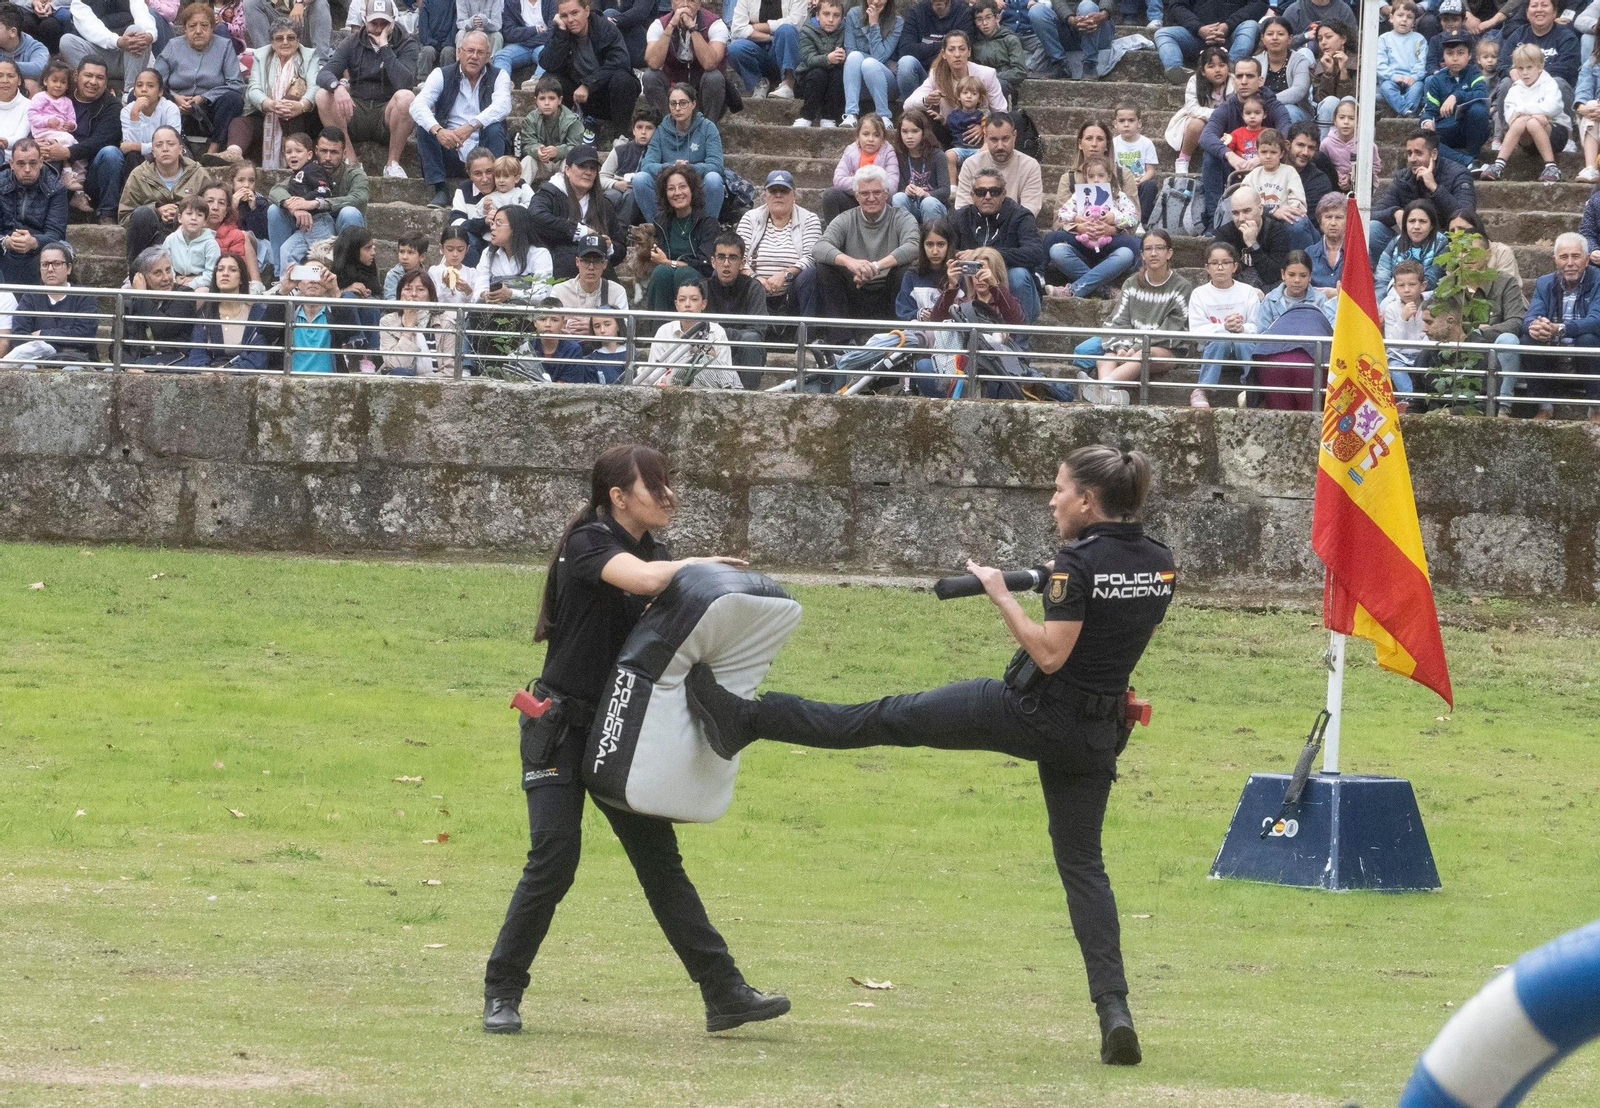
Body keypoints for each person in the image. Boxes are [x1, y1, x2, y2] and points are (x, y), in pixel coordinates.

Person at [685, 445, 1175, 1068]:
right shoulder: (1159, 563)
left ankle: (746, 718)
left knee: (885, 717)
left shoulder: (1075, 565)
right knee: (1084, 867)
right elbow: (1133, 629)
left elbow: (1051, 655)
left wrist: (1000, 592)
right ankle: (1114, 1010)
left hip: (1030, 712)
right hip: (1096, 732)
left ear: (1087, 500)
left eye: (1058, 490)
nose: (1052, 500)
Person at [482, 445, 787, 1033]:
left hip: (620, 725)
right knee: (555, 856)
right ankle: (502, 991)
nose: (668, 496)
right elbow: (643, 580)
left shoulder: (660, 553)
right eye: (655, 487)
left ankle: (724, 994)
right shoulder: (590, 542)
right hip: (560, 727)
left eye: (669, 484)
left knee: (659, 863)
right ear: (618, 497)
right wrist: (701, 568)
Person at [1071, 231, 1192, 405]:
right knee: (1106, 357)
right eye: (1148, 249)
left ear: (1169, 253)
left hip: (1166, 348)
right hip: (1131, 344)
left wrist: (1135, 347)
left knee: (1144, 354)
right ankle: (1112, 397)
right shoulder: (1132, 283)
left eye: (1159, 248)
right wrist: (1121, 346)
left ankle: (1103, 387)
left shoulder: (1182, 287)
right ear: (1142, 254)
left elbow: (1171, 329)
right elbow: (1119, 320)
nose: (1154, 253)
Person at [811, 163, 920, 339]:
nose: (871, 198)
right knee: (824, 269)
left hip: (889, 287)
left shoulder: (902, 217)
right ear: (856, 196)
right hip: (855, 285)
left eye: (876, 192)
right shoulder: (846, 218)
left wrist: (876, 267)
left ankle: (898, 339)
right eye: (864, 193)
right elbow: (819, 247)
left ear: (886, 193)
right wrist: (851, 263)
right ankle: (841, 341)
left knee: (906, 271)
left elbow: (914, 245)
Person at [315, 0, 419, 180]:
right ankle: (351, 160)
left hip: (386, 113)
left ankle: (392, 164)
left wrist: (385, 48)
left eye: (384, 23)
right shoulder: (351, 42)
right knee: (323, 95)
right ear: (364, 20)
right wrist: (337, 87)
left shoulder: (406, 43)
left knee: (407, 97)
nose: (379, 28)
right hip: (356, 109)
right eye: (374, 23)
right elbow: (324, 74)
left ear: (393, 21)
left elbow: (405, 82)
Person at [412, 30, 511, 208]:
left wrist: (471, 126)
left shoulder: (499, 75)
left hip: (484, 147)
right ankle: (440, 189)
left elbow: (503, 105)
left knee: (495, 128)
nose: (474, 56)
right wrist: (439, 131)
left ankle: (491, 189)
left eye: (480, 53)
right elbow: (417, 105)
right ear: (459, 52)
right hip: (450, 147)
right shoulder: (441, 74)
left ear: (488, 56)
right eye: (470, 50)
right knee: (424, 126)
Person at [1514, 232, 1600, 420]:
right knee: (1529, 338)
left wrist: (1560, 329)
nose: (1569, 263)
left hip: (1586, 350)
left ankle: (1595, 406)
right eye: (1563, 257)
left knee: (1589, 339)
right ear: (1555, 260)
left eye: (1576, 256)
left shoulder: (1598, 280)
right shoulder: (1544, 282)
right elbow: (1530, 317)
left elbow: (1596, 320)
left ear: (1587, 260)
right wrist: (1535, 326)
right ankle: (1543, 406)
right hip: (1554, 350)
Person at [1197, 57, 1290, 226]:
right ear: (1234, 80)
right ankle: (1215, 221)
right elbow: (1206, 136)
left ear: (1260, 80)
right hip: (1234, 167)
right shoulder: (1227, 107)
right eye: (1239, 76)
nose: (1244, 81)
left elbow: (1285, 129)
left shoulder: (1273, 105)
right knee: (1210, 157)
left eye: (1250, 76)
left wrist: (1261, 157)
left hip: (1268, 166)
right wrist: (1229, 155)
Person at [153, 3, 246, 166]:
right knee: (149, 94)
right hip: (176, 106)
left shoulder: (224, 46)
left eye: (204, 26)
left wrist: (203, 98)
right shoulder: (173, 46)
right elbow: (156, 79)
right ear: (184, 29)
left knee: (234, 99)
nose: (198, 31)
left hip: (209, 109)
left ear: (212, 28)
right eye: (192, 26)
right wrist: (175, 98)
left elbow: (236, 83)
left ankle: (213, 151)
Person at [539, 0, 641, 141]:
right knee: (548, 80)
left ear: (587, 11)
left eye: (575, 13)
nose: (570, 20)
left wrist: (588, 84)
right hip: (577, 97)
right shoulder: (560, 30)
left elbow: (620, 61)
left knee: (623, 79)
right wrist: (561, 32)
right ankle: (555, 136)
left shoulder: (604, 28)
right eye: (564, 15)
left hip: (608, 97)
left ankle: (621, 136)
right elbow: (547, 63)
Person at [267, 128, 370, 268]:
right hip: (310, 225)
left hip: (341, 227)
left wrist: (316, 204)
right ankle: (279, 275)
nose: (328, 157)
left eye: (334, 152)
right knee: (274, 210)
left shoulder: (354, 174)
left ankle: (351, 274)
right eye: (323, 151)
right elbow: (277, 189)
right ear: (315, 151)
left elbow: (360, 198)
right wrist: (294, 208)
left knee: (350, 212)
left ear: (344, 153)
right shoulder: (308, 170)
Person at [949, 166, 1041, 320]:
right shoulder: (960, 217)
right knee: (959, 271)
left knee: (1018, 275)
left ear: (1004, 194)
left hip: (1011, 285)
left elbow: (1035, 253)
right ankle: (966, 329)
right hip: (973, 285)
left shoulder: (1020, 216)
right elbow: (946, 250)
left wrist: (983, 254)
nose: (987, 196)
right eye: (980, 192)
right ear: (972, 195)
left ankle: (1020, 340)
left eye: (994, 192)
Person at [1042, 154, 1136, 301]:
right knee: (1056, 251)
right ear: (1086, 178)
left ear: (1109, 177)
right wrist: (1077, 220)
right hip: (1081, 246)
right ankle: (1105, 290)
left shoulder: (1119, 197)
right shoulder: (1079, 196)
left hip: (1108, 248)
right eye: (1091, 177)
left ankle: (1071, 290)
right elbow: (1062, 213)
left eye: (1101, 175)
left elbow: (1133, 218)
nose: (1096, 180)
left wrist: (1114, 219)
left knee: (1126, 254)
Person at [1371, 128, 1474, 257]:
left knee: (1442, 237)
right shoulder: (1403, 177)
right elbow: (1372, 213)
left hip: (1443, 243)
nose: (1412, 159)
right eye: (1409, 153)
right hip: (1409, 243)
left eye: (1418, 153)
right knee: (1372, 229)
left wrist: (1434, 188)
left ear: (1434, 154)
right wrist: (1394, 213)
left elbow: (1467, 217)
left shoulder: (1459, 174)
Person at [119, 125, 212, 265]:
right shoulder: (139, 175)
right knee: (143, 213)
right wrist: (155, 211)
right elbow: (125, 215)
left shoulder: (198, 174)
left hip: (187, 233)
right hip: (151, 235)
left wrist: (181, 213)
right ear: (153, 151)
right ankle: (134, 271)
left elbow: (210, 212)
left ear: (181, 149)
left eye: (171, 144)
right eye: (159, 145)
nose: (165, 148)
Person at [1478, 42, 1569, 182]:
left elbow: (1552, 107)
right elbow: (1510, 116)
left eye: (1529, 67)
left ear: (1540, 67)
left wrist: (1524, 111)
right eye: (1520, 68)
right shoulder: (1515, 88)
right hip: (1528, 141)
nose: (1525, 73)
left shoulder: (1549, 84)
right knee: (1521, 121)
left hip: (1555, 135)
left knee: (1532, 122)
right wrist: (1531, 113)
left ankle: (1552, 167)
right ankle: (1498, 165)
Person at [736, 167, 820, 316]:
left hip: (793, 290)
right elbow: (738, 255)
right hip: (754, 287)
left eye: (784, 190)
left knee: (811, 275)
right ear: (764, 195)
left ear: (794, 194)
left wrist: (785, 274)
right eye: (773, 191)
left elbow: (811, 257)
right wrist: (756, 278)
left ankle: (806, 334)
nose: (778, 195)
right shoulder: (750, 218)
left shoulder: (809, 219)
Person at [530, 144, 622, 279]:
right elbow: (535, 216)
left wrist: (609, 247)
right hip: (555, 266)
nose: (588, 172)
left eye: (592, 168)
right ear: (567, 170)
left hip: (595, 269)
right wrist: (579, 232)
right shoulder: (549, 193)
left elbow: (621, 246)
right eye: (582, 166)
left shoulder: (603, 204)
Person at [1187, 240, 1262, 407]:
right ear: (1207, 268)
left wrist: (1242, 328)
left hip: (1242, 347)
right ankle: (1203, 388)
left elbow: (1258, 326)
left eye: (1225, 263)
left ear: (1234, 266)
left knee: (1243, 341)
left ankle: (1252, 389)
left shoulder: (1247, 291)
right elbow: (1196, 331)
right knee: (1221, 338)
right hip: (1213, 348)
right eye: (1214, 263)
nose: (1220, 267)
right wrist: (1224, 328)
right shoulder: (1199, 294)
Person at [635, 80, 724, 220]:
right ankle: (658, 228)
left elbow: (717, 165)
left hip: (697, 185)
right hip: (669, 185)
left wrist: (688, 168)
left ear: (693, 104)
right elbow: (647, 165)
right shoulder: (661, 130)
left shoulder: (708, 128)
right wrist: (671, 168)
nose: (677, 108)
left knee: (714, 179)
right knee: (640, 179)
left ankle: (707, 227)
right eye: (673, 104)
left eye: (683, 103)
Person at [235, 19, 317, 169]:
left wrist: (301, 105)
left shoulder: (309, 57)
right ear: (272, 43)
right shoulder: (262, 57)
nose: (285, 42)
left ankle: (293, 164)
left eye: (291, 38)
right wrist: (270, 104)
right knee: (240, 123)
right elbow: (253, 89)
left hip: (298, 120)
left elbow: (314, 87)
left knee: (288, 106)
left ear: (298, 41)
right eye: (279, 38)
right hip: (266, 116)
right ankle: (232, 153)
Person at [2, 242, 96, 368]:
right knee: (27, 369)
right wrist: (63, 338)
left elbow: (84, 334)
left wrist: (42, 335)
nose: (50, 269)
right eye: (45, 265)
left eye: (57, 264)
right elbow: (19, 337)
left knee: (72, 370)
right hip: (38, 360)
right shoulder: (30, 297)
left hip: (76, 359)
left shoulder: (84, 297)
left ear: (68, 268)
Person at [904, 29, 1004, 145]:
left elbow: (1000, 112)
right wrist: (926, 100)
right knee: (929, 118)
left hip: (982, 133)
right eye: (951, 50)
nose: (957, 55)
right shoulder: (936, 75)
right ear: (944, 54)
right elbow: (908, 105)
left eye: (962, 49)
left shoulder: (987, 74)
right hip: (950, 130)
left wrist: (985, 127)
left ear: (969, 52)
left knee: (1014, 118)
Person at [637, 279, 743, 385]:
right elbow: (652, 372)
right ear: (676, 304)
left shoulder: (717, 332)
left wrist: (711, 358)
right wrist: (663, 381)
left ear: (703, 304)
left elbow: (727, 375)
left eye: (694, 299)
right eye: (682, 300)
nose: (687, 304)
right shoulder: (664, 331)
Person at [643, 0, 732, 123]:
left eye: (691, 0)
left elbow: (710, 64)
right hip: (673, 91)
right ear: (672, 3)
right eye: (679, 0)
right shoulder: (659, 25)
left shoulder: (715, 24)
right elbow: (653, 63)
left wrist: (693, 28)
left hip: (703, 93)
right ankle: (668, 128)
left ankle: (706, 130)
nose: (685, 5)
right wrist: (670, 27)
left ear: (699, 4)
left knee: (714, 77)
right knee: (650, 76)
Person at [644, 163, 718, 309]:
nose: (677, 193)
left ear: (692, 190)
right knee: (661, 273)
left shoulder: (707, 223)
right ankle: (659, 328)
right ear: (665, 194)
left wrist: (668, 262)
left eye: (682, 187)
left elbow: (705, 265)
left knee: (683, 273)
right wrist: (665, 263)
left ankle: (691, 328)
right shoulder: (661, 221)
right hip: (669, 279)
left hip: (699, 280)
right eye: (671, 188)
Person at [705, 230, 768, 387]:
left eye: (733, 258)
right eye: (721, 257)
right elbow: (695, 330)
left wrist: (721, 333)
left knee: (752, 341)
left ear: (742, 263)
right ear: (713, 261)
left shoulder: (754, 288)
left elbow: (757, 331)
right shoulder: (702, 288)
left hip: (743, 353)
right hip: (711, 352)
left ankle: (748, 401)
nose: (726, 263)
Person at [1420, 31, 1491, 167]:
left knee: (1479, 109)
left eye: (1460, 53)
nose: (1455, 58)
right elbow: (1429, 110)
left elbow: (1482, 94)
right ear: (1443, 56)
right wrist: (1427, 121)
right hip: (1447, 129)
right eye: (1450, 53)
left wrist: (1456, 96)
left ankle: (1472, 154)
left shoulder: (1473, 73)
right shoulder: (1437, 80)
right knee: (1424, 137)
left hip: (1471, 129)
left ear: (1469, 55)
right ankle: (1468, 162)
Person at [0, 136, 64, 283]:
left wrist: (34, 242)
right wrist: (6, 242)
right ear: (11, 164)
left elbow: (56, 233)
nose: (27, 169)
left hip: (40, 248)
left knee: (62, 252)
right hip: (5, 245)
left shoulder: (56, 187)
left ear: (41, 162)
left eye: (33, 163)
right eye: (21, 164)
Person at [59, 0, 163, 88]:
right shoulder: (79, 2)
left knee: (137, 31)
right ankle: (94, 84)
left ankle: (130, 91)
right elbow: (91, 28)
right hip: (98, 56)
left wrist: (150, 35)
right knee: (66, 41)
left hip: (129, 54)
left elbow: (142, 15)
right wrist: (117, 41)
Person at [952, 112, 1042, 213]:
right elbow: (963, 208)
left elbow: (1030, 209)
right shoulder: (971, 165)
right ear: (985, 137)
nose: (1000, 146)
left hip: (1016, 225)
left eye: (1005, 139)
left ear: (1014, 135)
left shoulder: (1030, 166)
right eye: (994, 140)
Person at [127, 245, 201, 366]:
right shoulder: (130, 301)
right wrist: (129, 367)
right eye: (158, 273)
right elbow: (117, 347)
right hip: (139, 363)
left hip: (175, 361)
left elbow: (163, 328)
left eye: (168, 270)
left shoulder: (185, 295)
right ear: (142, 278)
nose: (166, 278)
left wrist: (141, 296)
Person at [1156, 0, 1265, 82]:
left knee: (1251, 26)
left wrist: (1228, 26)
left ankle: (1231, 66)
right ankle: (1175, 70)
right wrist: (1199, 28)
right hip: (1197, 36)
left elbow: (1259, 4)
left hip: (1232, 35)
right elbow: (1177, 6)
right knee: (1163, 33)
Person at [1165, 44, 1230, 175]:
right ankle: (1183, 158)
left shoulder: (1234, 82)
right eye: (1211, 66)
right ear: (1203, 71)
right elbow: (1192, 108)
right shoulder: (1195, 81)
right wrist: (1217, 114)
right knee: (1196, 125)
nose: (1218, 70)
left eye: (1222, 65)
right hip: (1200, 118)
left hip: (1227, 122)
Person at [380, 268, 459, 376]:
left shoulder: (446, 324)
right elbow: (394, 366)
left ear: (430, 296)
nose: (413, 294)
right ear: (400, 294)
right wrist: (409, 328)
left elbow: (451, 371)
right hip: (399, 386)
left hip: (436, 388)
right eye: (408, 289)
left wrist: (419, 381)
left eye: (420, 289)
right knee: (400, 372)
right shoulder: (388, 322)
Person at [821, 112, 898, 222]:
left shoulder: (888, 152)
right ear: (858, 136)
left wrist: (869, 190)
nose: (870, 139)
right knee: (830, 195)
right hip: (854, 201)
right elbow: (838, 180)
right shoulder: (851, 151)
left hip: (878, 203)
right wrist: (864, 184)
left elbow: (891, 187)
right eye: (866, 134)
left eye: (876, 135)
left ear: (883, 139)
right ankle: (833, 235)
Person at [1212, 185, 1289, 292]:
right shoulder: (1225, 233)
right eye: (1235, 213)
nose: (1241, 218)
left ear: (1261, 209)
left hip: (1268, 292)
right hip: (1234, 291)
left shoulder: (1276, 230)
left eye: (1247, 211)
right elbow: (1217, 273)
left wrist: (1253, 244)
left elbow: (1277, 275)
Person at [472, 202, 555, 300]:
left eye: (498, 223)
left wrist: (511, 294)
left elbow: (542, 294)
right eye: (492, 223)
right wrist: (485, 295)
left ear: (516, 227)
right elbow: (478, 289)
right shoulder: (488, 253)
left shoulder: (539, 254)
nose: (493, 227)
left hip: (527, 313)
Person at [897, 0, 975, 101]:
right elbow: (905, 49)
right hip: (921, 73)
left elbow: (964, 47)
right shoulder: (916, 12)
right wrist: (946, 47)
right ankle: (912, 112)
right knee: (906, 62)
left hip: (951, 74)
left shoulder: (963, 12)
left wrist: (923, 50)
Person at [727, 0, 803, 102]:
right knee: (734, 48)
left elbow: (795, 23)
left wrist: (758, 26)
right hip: (757, 47)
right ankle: (758, 83)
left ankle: (788, 83)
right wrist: (771, 37)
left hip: (784, 48)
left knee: (786, 30)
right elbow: (737, 29)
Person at [1495, 0, 1579, 90]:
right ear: (1527, 13)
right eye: (1534, 6)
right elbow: (1502, 64)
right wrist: (1510, 71)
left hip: (1551, 89)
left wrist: (1534, 77)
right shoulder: (1518, 35)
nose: (1539, 9)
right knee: (1506, 83)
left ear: (1554, 12)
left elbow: (1567, 69)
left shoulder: (1566, 37)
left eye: (1544, 5)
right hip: (1520, 88)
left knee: (1558, 82)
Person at [842, 0, 900, 126]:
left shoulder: (897, 21)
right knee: (853, 56)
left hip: (886, 82)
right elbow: (850, 50)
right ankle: (851, 114)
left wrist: (874, 25)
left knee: (869, 63)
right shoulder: (853, 14)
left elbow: (879, 58)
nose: (876, 1)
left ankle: (883, 116)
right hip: (858, 83)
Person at [520, 73, 585, 184]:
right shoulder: (530, 119)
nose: (546, 103)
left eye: (551, 98)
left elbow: (576, 148)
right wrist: (537, 150)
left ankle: (569, 195)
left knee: (570, 162)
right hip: (541, 163)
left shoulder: (572, 120)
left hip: (561, 162)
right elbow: (527, 145)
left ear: (559, 100)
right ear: (536, 100)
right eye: (542, 98)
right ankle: (520, 193)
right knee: (527, 160)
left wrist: (558, 151)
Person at [1373, 198, 1445, 296]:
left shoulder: (1441, 243)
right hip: (1394, 296)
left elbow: (1432, 279)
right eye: (1412, 221)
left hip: (1427, 298)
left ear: (1431, 225)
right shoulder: (1395, 243)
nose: (1416, 226)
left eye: (1422, 221)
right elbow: (1382, 280)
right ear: (1405, 224)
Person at [1379, 257, 1427, 401]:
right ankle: (1411, 399)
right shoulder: (1391, 309)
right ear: (1395, 288)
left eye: (1412, 284)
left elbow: (1431, 335)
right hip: (1400, 357)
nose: (1406, 290)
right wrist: (1403, 319)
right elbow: (1393, 345)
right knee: (1394, 368)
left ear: (1423, 286)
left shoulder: (1430, 306)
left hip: (1423, 354)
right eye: (1401, 285)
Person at [793, 0, 846, 128]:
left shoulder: (845, 31)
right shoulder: (807, 31)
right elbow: (808, 59)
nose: (831, 19)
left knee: (837, 74)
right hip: (807, 78)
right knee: (818, 74)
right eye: (826, 14)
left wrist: (844, 56)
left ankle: (829, 117)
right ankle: (807, 115)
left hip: (833, 78)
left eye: (836, 15)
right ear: (817, 15)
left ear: (842, 18)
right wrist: (828, 59)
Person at [891, 108, 949, 221]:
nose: (909, 136)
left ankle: (932, 236)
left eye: (915, 131)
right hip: (911, 204)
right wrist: (905, 190)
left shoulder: (938, 155)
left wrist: (927, 194)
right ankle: (905, 234)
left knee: (928, 203)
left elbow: (945, 190)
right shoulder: (899, 155)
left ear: (924, 132)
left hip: (933, 205)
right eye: (905, 131)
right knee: (898, 198)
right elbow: (899, 187)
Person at [600, 107, 655, 224]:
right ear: (633, 130)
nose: (643, 132)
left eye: (649, 128)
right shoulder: (620, 150)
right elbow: (601, 177)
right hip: (617, 187)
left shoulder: (657, 152)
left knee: (631, 197)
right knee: (610, 197)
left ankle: (621, 234)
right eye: (639, 127)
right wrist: (615, 184)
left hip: (638, 194)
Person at [1253, 16, 1311, 125]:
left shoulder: (1301, 61)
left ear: (1290, 39)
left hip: (1295, 111)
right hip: (1260, 110)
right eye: (1270, 34)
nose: (1275, 38)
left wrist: (1267, 101)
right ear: (1263, 39)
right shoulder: (1255, 62)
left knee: (1287, 111)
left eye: (1280, 34)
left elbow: (1299, 90)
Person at [552, 231, 629, 314]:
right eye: (585, 261)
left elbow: (623, 325)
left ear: (605, 264)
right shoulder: (560, 291)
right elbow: (550, 323)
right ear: (577, 262)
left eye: (597, 261)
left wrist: (589, 324)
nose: (591, 267)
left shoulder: (616, 291)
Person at [448, 145, 497, 264]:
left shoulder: (510, 184)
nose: (485, 179)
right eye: (478, 174)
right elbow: (456, 222)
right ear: (469, 175)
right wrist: (483, 222)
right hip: (477, 244)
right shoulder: (465, 189)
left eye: (489, 172)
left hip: (506, 242)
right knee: (464, 239)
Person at [1378, 0, 1428, 116]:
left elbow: (1422, 63)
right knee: (1386, 88)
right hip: (1391, 79)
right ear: (1391, 18)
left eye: (1409, 17)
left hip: (1411, 79)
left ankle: (1404, 113)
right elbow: (1380, 64)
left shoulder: (1419, 40)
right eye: (1400, 15)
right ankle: (1406, 111)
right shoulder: (1384, 39)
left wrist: (1414, 77)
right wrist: (1393, 76)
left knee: (1418, 87)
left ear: (1414, 22)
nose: (1404, 19)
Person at [970, 0, 1023, 102]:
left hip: (1006, 84)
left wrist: (992, 77)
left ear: (997, 18)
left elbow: (1020, 71)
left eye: (988, 18)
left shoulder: (1009, 39)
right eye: (979, 19)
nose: (984, 23)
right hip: (980, 84)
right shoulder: (975, 42)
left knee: (1000, 85)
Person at [164, 193, 220, 288]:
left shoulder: (210, 244)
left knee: (202, 292)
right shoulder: (171, 239)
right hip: (175, 283)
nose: (194, 218)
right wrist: (174, 280)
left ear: (205, 221)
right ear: (180, 218)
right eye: (189, 214)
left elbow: (211, 274)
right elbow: (166, 265)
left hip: (200, 285)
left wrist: (191, 284)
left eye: (199, 215)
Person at [490, 0, 555, 82]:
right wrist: (534, 30)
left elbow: (553, 30)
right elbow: (509, 32)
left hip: (543, 45)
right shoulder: (512, 2)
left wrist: (526, 37)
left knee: (549, 55)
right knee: (501, 56)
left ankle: (536, 84)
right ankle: (502, 84)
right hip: (520, 46)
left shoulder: (551, 2)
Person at [1308, 21, 1356, 130]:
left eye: (1328, 37)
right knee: (1330, 101)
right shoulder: (1315, 67)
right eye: (1320, 39)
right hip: (1326, 112)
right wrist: (1328, 73)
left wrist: (1343, 72)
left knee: (1348, 100)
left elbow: (1351, 98)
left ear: (1343, 39)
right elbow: (1321, 100)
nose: (1323, 42)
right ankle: (1323, 145)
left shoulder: (1359, 63)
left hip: (1352, 113)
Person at [1306, 190, 1346, 296]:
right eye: (1328, 217)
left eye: (1339, 217)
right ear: (1320, 222)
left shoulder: (1358, 253)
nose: (1333, 223)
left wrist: (1338, 293)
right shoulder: (1309, 253)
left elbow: (1365, 289)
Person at [384, 232, 429, 300]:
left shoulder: (427, 276)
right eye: (401, 252)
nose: (404, 257)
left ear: (421, 257)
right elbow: (390, 301)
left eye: (410, 252)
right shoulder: (393, 276)